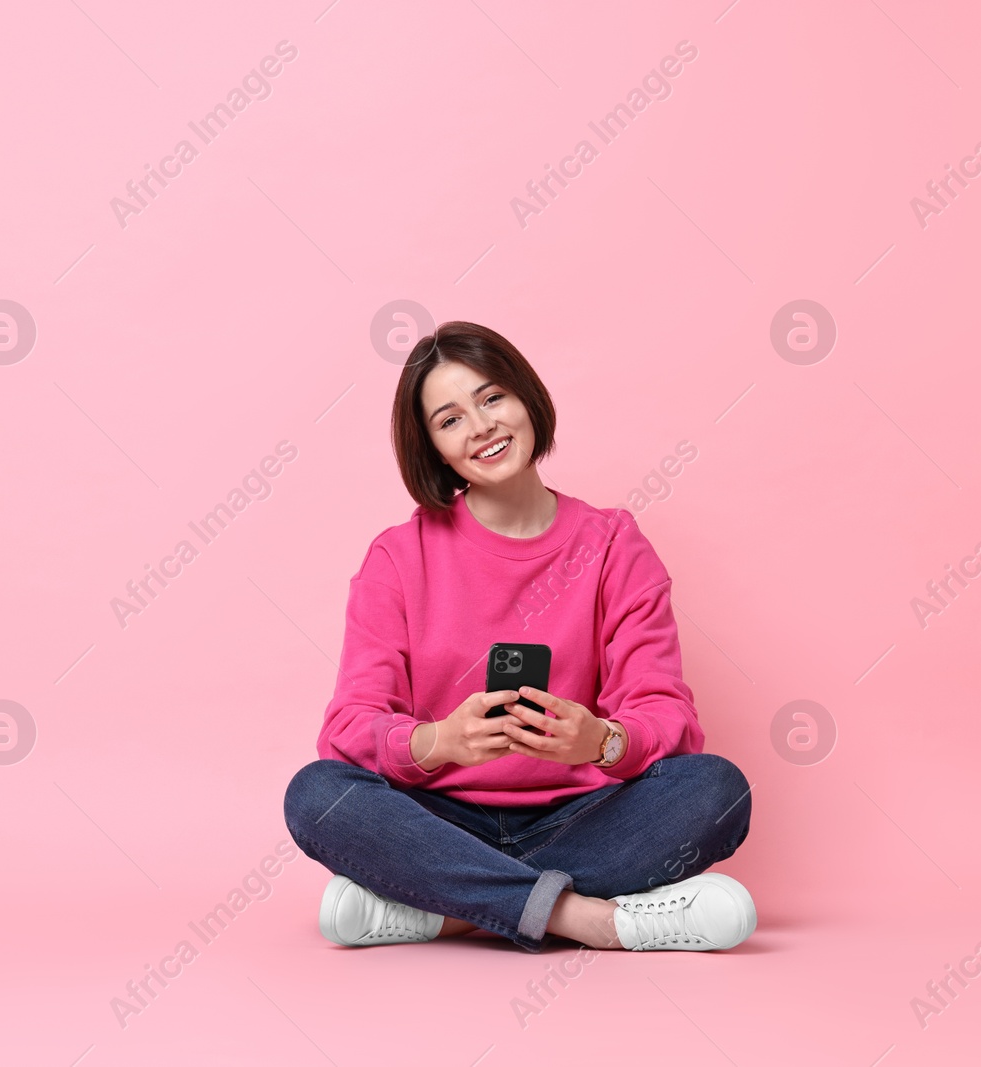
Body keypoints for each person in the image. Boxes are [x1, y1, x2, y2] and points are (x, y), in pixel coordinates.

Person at [282, 321, 755, 953]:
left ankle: (446, 911)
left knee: (717, 790)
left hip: (583, 818)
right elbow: (349, 724)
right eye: (449, 420)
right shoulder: (398, 557)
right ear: (433, 448)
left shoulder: (613, 544)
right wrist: (438, 741)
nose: (479, 427)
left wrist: (601, 741)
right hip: (439, 823)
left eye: (491, 398)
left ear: (526, 398)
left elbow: (667, 713)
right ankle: (594, 921)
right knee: (317, 795)